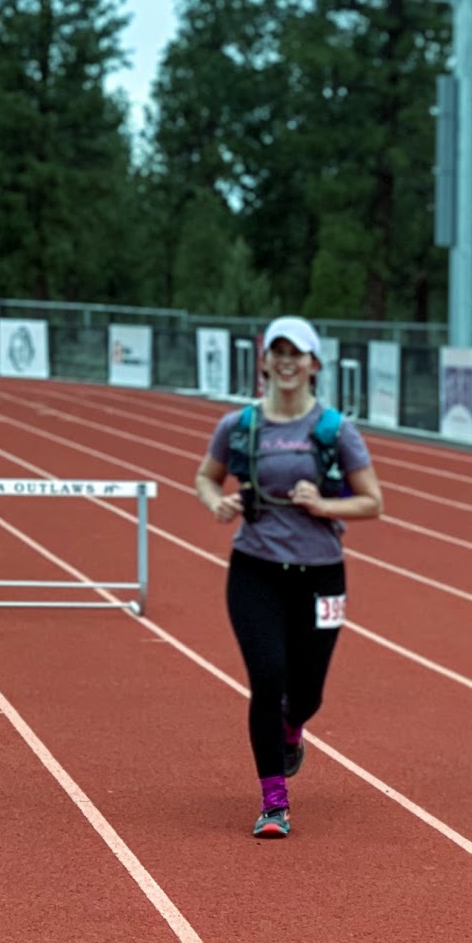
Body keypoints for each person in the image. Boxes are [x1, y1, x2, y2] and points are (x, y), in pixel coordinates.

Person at [194, 315, 384, 838]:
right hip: (255, 569)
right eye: (276, 351)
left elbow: (373, 501)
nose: (285, 361)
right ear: (264, 361)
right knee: (267, 678)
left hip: (321, 576)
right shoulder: (240, 426)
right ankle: (273, 801)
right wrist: (218, 502)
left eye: (295, 353)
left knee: (307, 692)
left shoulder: (334, 431)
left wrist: (322, 503)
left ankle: (293, 727)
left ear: (313, 364)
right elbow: (206, 477)